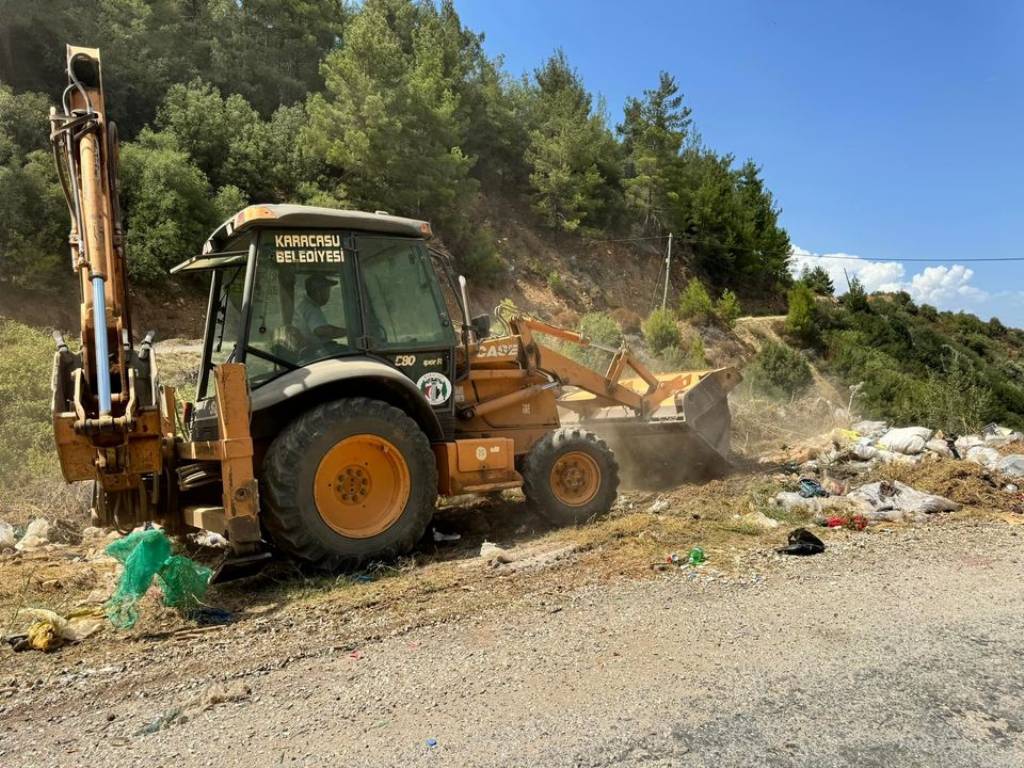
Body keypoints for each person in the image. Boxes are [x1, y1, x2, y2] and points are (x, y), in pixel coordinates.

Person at [297, 274, 347, 341]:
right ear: (318, 291)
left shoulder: (304, 305)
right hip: (316, 349)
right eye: (327, 290)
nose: (328, 294)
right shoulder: (311, 308)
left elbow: (322, 326)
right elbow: (322, 331)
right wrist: (349, 332)